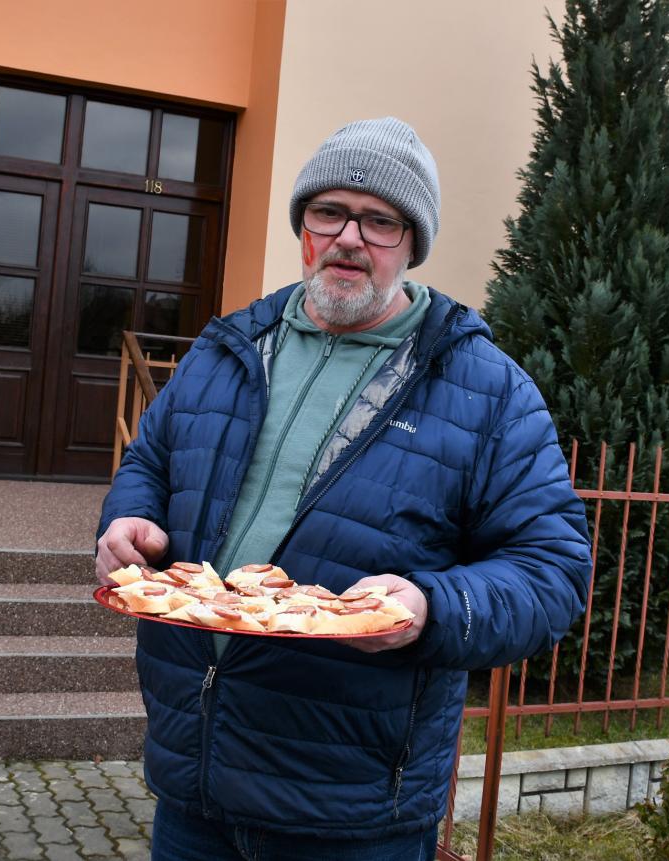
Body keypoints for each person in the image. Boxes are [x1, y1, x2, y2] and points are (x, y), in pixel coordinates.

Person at [95, 116, 591, 860]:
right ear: (304, 226)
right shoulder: (230, 345)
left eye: (380, 221)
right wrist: (129, 516)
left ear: (412, 243)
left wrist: (431, 608)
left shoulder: (488, 390)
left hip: (353, 811)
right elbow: (150, 462)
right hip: (196, 787)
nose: (349, 238)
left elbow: (552, 573)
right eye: (329, 211)